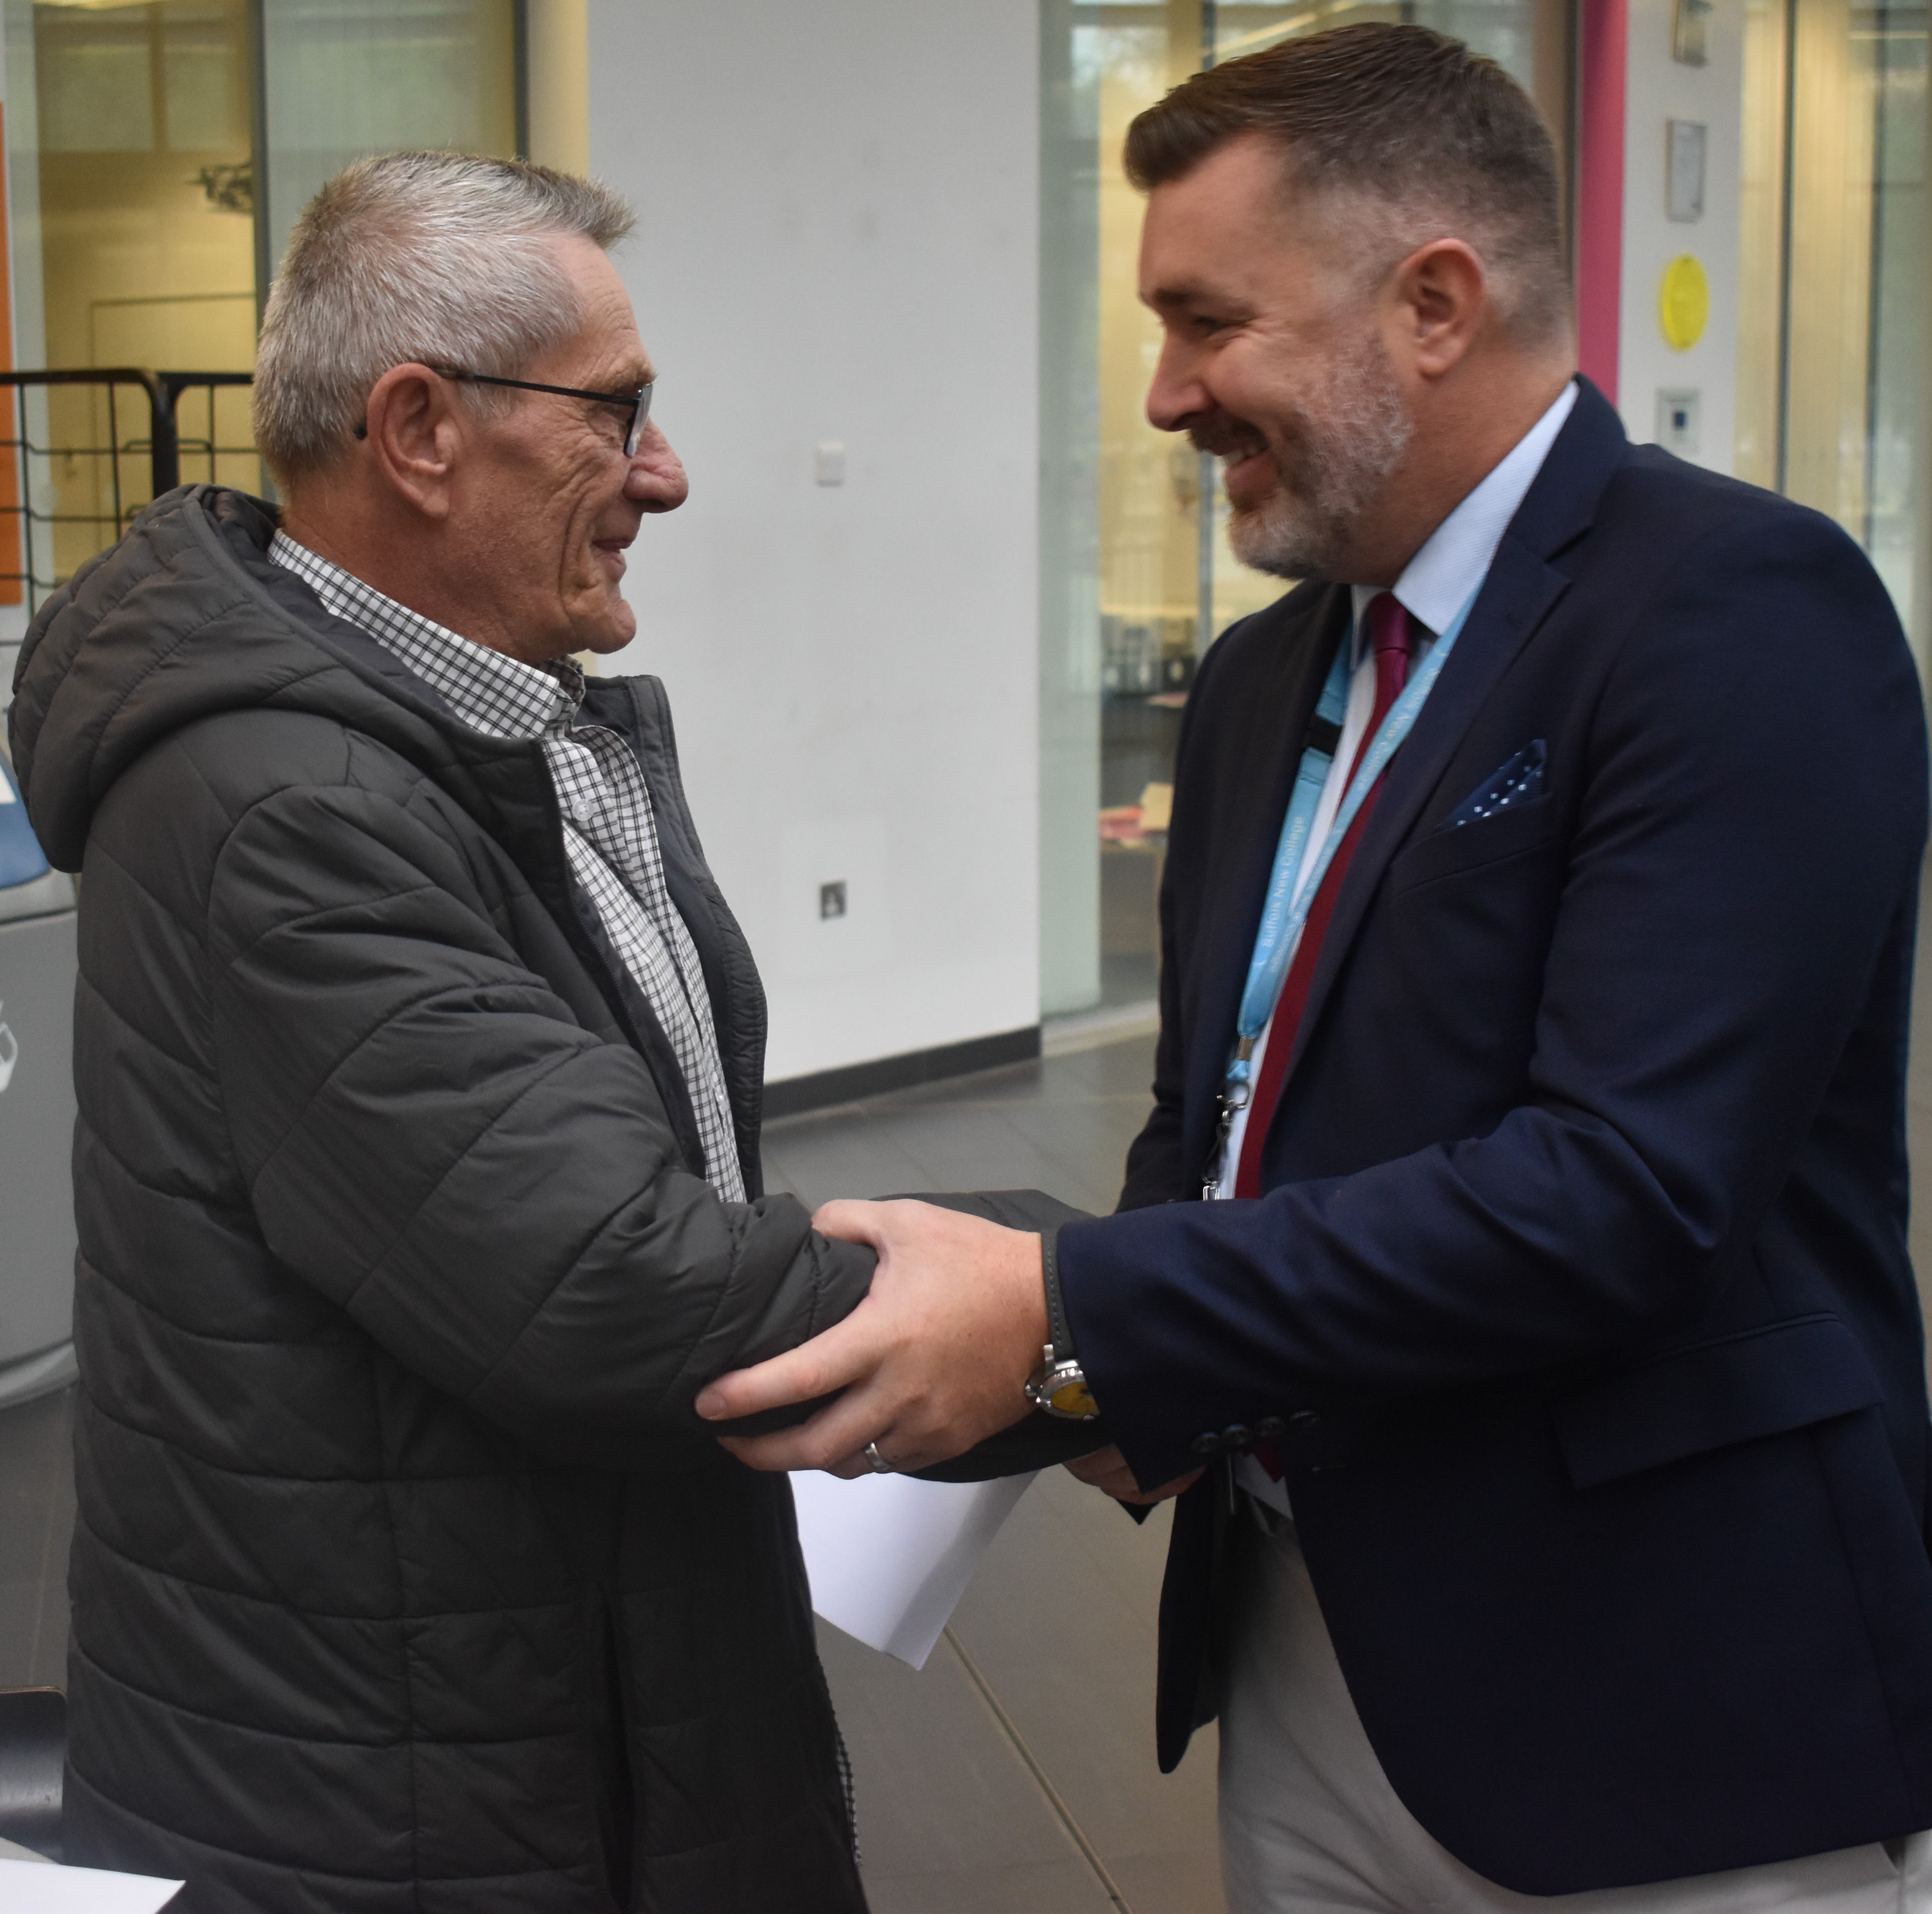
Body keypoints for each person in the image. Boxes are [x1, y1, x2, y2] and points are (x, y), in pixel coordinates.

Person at [700, 24, 1932, 1912]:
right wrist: (1090, 1378)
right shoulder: (1272, 673)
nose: (1165, 395)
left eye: (1206, 322)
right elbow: (1225, 1116)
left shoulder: (1733, 612)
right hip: (1306, 1640)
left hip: (1653, 1692)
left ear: (1430, 303)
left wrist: (1069, 1307)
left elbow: (1620, 1194)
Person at [8, 150, 942, 1914]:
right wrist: (1067, 1314)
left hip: (524, 1681)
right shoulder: (285, 803)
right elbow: (608, 1277)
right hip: (406, 1784)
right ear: (421, 431)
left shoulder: (471, 731)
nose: (661, 473)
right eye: (618, 412)